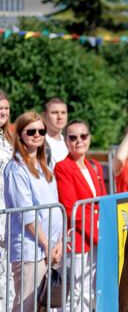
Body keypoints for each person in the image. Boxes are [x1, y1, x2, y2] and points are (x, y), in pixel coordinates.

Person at [3, 111, 64, 312]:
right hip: (30, 249)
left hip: (49, 247)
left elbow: (54, 206)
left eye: (41, 130)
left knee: (43, 306)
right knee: (26, 306)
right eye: (31, 131)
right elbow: (26, 214)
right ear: (20, 135)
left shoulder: (44, 166)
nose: (37, 135)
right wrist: (47, 244)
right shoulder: (16, 168)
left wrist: (58, 242)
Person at [55, 120, 107, 310]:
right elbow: (72, 209)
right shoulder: (62, 167)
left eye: (83, 136)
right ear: (66, 141)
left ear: (89, 138)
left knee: (92, 290)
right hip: (78, 239)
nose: (79, 141)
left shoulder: (94, 166)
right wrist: (97, 237)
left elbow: (100, 203)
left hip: (95, 236)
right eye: (73, 137)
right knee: (78, 291)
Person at [0, 90, 15, 308]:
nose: (2, 112)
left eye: (5, 109)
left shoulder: (8, 138)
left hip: (11, 216)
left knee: (8, 281)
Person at [43, 97, 69, 166]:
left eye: (63, 113)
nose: (60, 117)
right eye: (54, 113)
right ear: (45, 115)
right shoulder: (39, 143)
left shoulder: (69, 142)